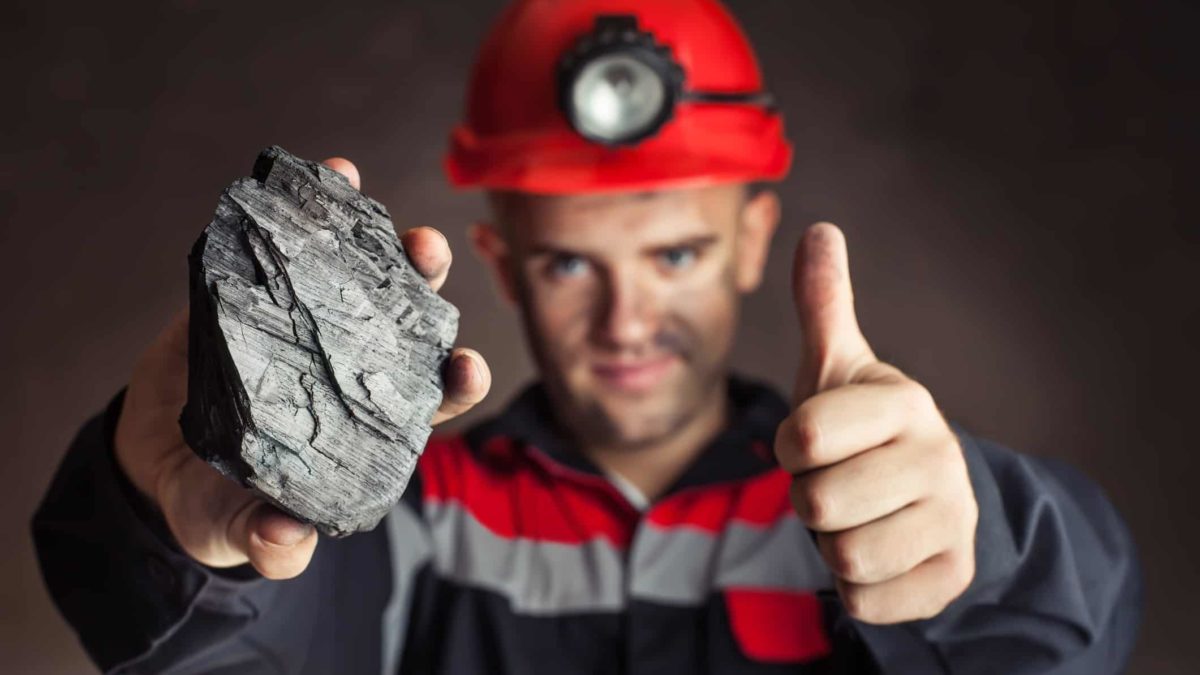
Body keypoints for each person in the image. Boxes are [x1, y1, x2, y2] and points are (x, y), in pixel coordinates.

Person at [32, 1, 1141, 673]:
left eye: (676, 255)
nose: (625, 322)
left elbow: (1068, 640)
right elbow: (241, 660)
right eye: (569, 263)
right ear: (504, 262)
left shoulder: (867, 501)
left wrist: (983, 549)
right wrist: (171, 524)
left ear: (753, 240)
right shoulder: (410, 517)